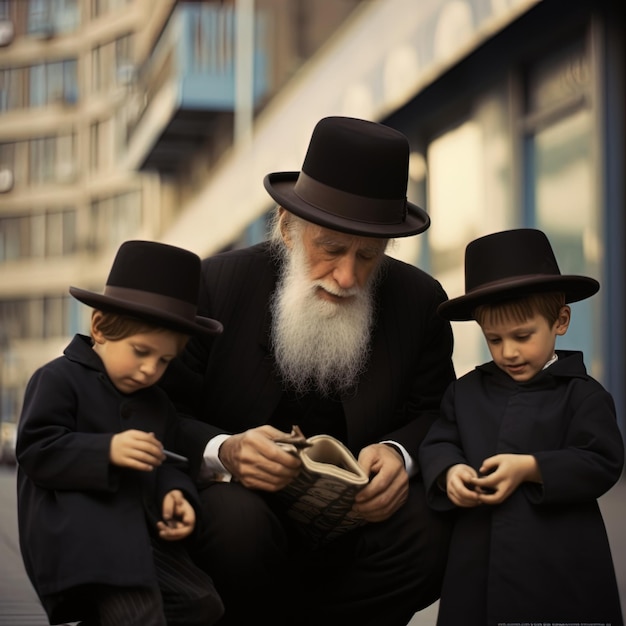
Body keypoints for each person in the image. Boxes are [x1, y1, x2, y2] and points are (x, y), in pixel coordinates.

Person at [161, 115, 456, 626]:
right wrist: (224, 451)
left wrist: (400, 454)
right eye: (331, 249)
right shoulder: (216, 285)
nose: (347, 276)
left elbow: (440, 413)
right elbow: (160, 410)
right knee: (236, 524)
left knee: (435, 522)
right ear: (287, 228)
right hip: (243, 525)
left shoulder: (419, 302)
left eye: (369, 255)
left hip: (358, 535)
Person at [418, 228, 624, 626]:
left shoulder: (583, 395)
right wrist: (450, 472)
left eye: (523, 336)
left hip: (561, 560)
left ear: (560, 320)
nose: (508, 352)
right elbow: (440, 441)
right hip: (479, 557)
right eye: (494, 339)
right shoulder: (465, 392)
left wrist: (531, 467)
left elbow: (602, 461)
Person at [16, 240, 226, 626]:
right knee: (137, 613)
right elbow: (35, 450)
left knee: (201, 603)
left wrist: (176, 495)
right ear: (99, 327)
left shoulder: (157, 403)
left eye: (164, 361)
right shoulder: (58, 379)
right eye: (141, 351)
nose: (150, 370)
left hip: (141, 537)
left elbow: (168, 462)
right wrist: (107, 450)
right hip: (85, 537)